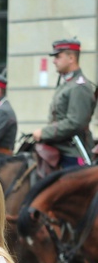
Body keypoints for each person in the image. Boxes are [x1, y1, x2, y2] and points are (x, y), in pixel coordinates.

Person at [33, 38, 96, 167]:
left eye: (58, 56)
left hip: (73, 153)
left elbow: (75, 122)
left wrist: (44, 132)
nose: (54, 61)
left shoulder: (79, 86)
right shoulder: (67, 84)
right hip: (59, 148)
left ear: (71, 58)